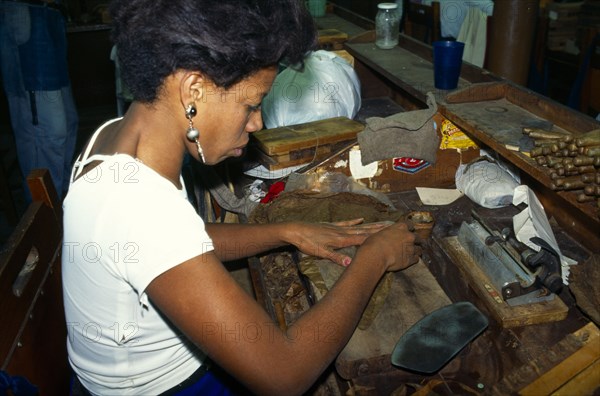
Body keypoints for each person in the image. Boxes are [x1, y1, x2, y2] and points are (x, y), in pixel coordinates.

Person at [62, 0, 419, 395]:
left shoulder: (117, 138)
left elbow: (177, 244)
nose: (258, 122)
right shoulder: (139, 207)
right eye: (251, 104)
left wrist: (287, 232)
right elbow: (284, 375)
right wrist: (375, 257)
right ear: (193, 89)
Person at [0, 0, 78, 200]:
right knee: (46, 133)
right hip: (24, 13)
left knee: (68, 125)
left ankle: (62, 200)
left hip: (49, 15)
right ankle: (44, 216)